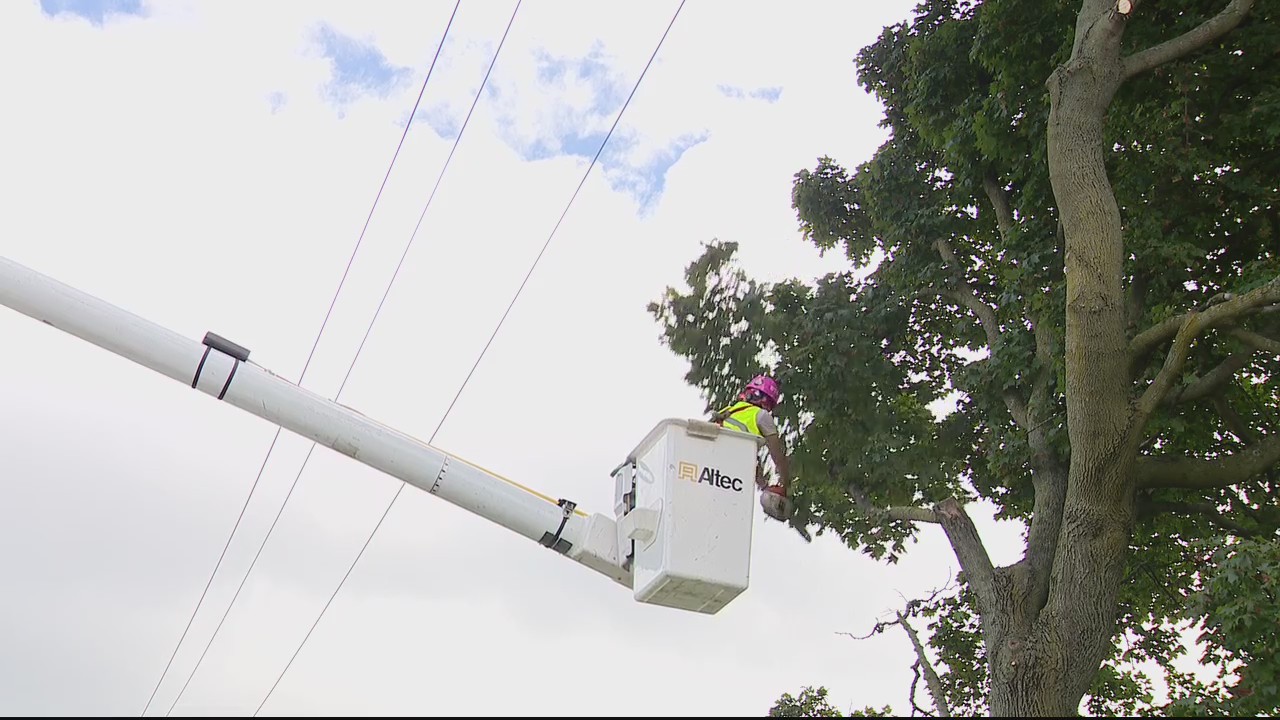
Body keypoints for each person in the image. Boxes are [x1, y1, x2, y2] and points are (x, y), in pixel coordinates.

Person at [712, 374, 793, 520]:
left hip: (714, 464)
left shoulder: (728, 411)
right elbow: (777, 455)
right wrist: (785, 483)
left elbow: (748, 460)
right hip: (729, 473)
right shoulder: (761, 416)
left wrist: (764, 486)